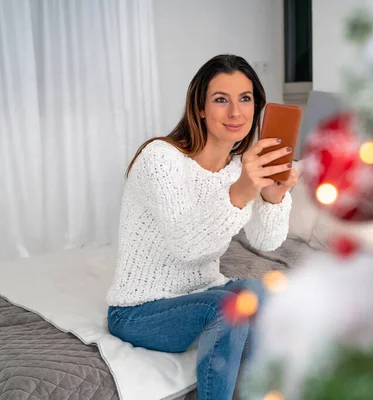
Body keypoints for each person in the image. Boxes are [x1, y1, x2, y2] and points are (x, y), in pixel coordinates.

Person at [105, 54, 297, 400]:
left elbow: (266, 241)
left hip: (202, 293)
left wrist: (271, 197)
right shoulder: (160, 158)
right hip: (139, 311)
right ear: (200, 109)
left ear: (257, 108)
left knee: (262, 292)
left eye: (245, 99)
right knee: (228, 308)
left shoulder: (239, 166)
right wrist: (241, 191)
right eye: (221, 100)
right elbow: (186, 245)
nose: (235, 112)